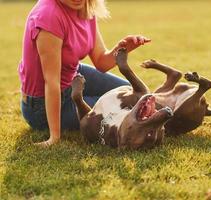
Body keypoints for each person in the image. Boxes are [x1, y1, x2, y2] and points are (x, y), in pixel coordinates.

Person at [18, 0, 151, 147]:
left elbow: (101, 61)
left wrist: (123, 48)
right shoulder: (48, 16)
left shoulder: (85, 7)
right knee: (126, 105)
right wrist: (54, 137)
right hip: (42, 105)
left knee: (132, 94)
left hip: (73, 75)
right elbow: (51, 81)